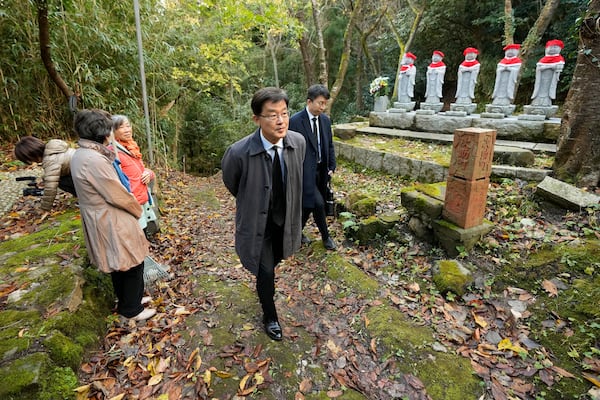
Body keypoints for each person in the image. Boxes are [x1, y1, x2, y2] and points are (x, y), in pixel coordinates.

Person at [221, 87, 305, 341]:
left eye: (284, 113)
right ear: (256, 118)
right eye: (271, 115)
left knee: (276, 260)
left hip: (286, 219)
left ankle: (266, 285)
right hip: (259, 224)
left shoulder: (297, 142)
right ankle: (270, 315)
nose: (280, 121)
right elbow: (233, 184)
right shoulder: (238, 153)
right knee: (265, 271)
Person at [70, 109, 156, 321]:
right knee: (132, 263)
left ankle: (130, 300)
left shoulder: (82, 154)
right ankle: (132, 309)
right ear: (103, 133)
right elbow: (117, 194)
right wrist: (136, 209)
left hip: (103, 216)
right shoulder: (94, 160)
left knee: (121, 263)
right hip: (111, 217)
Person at [288, 84, 337, 251]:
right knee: (318, 204)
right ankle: (326, 237)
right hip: (302, 173)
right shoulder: (294, 121)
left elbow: (329, 144)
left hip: (322, 171)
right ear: (309, 101)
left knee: (308, 205)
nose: (323, 107)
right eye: (320, 103)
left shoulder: (325, 120)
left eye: (325, 104)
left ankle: (295, 234)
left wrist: (331, 165)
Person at [111, 115, 158, 238]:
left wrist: (149, 173)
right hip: (131, 202)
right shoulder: (113, 151)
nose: (127, 130)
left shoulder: (131, 147)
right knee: (136, 236)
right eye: (121, 127)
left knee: (143, 234)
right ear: (113, 131)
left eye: (128, 126)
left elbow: (141, 169)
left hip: (141, 198)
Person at [14, 136, 77, 211]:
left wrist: (44, 208)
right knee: (53, 178)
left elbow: (50, 188)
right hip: (90, 172)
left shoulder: (50, 161)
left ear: (32, 156)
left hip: (88, 179)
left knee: (58, 182)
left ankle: (87, 198)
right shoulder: (55, 148)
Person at [530, 39, 565, 107]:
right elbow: (539, 68)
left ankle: (546, 102)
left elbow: (559, 67)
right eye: (550, 47)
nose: (552, 49)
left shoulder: (559, 59)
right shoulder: (543, 59)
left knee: (547, 91)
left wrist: (547, 67)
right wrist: (548, 67)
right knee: (540, 89)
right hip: (541, 79)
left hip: (551, 79)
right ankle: (536, 101)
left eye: (555, 47)